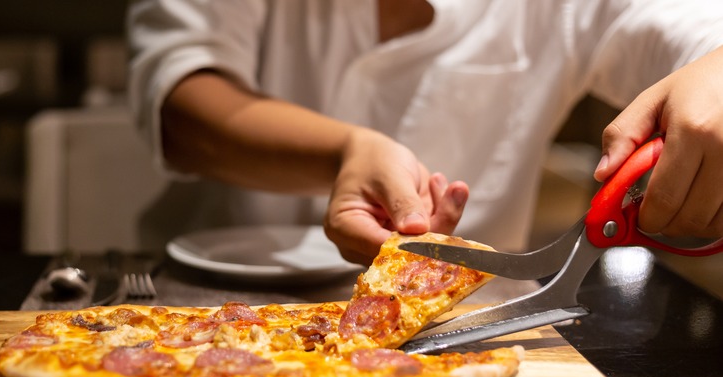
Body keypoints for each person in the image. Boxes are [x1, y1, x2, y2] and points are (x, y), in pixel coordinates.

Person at [127, 0, 723, 266]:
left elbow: (698, 29)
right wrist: (346, 151)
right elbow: (183, 104)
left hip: (463, 324)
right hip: (207, 308)